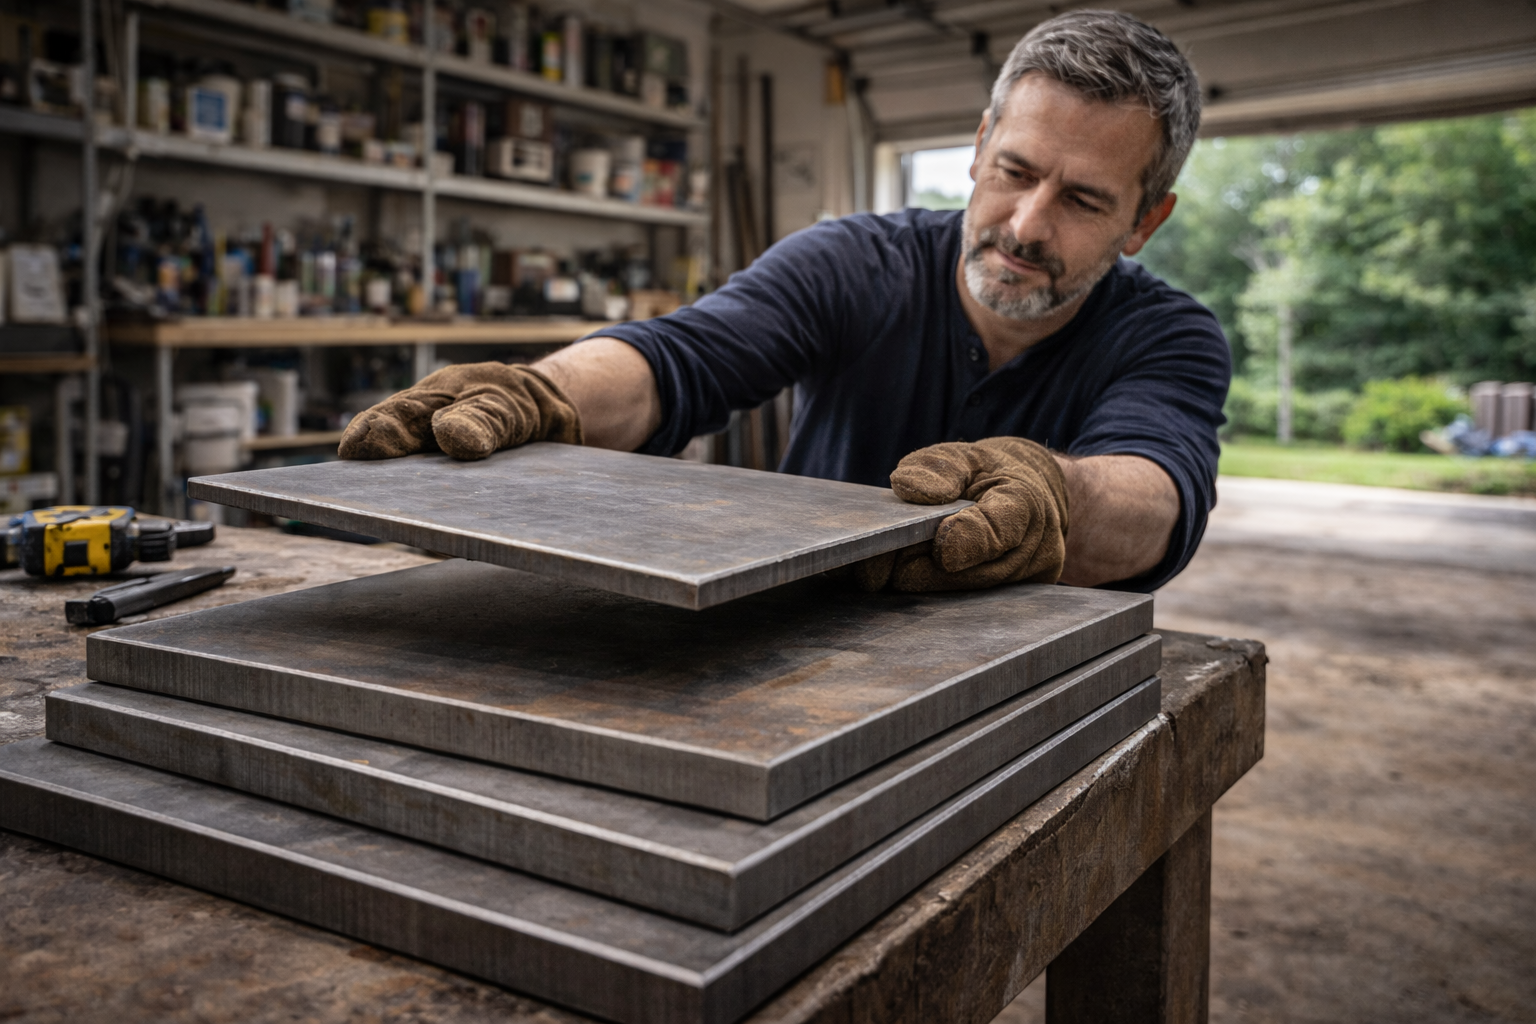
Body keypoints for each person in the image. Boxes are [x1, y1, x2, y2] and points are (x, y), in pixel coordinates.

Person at [339, 10, 1231, 594]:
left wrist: (1055, 497)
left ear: (1146, 219)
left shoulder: (1171, 337)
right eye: (1015, 172)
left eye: (1082, 201)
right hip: (794, 647)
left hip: (1018, 687)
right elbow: (678, 359)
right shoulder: (853, 261)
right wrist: (546, 394)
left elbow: (1158, 493)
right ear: (978, 148)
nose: (1026, 226)